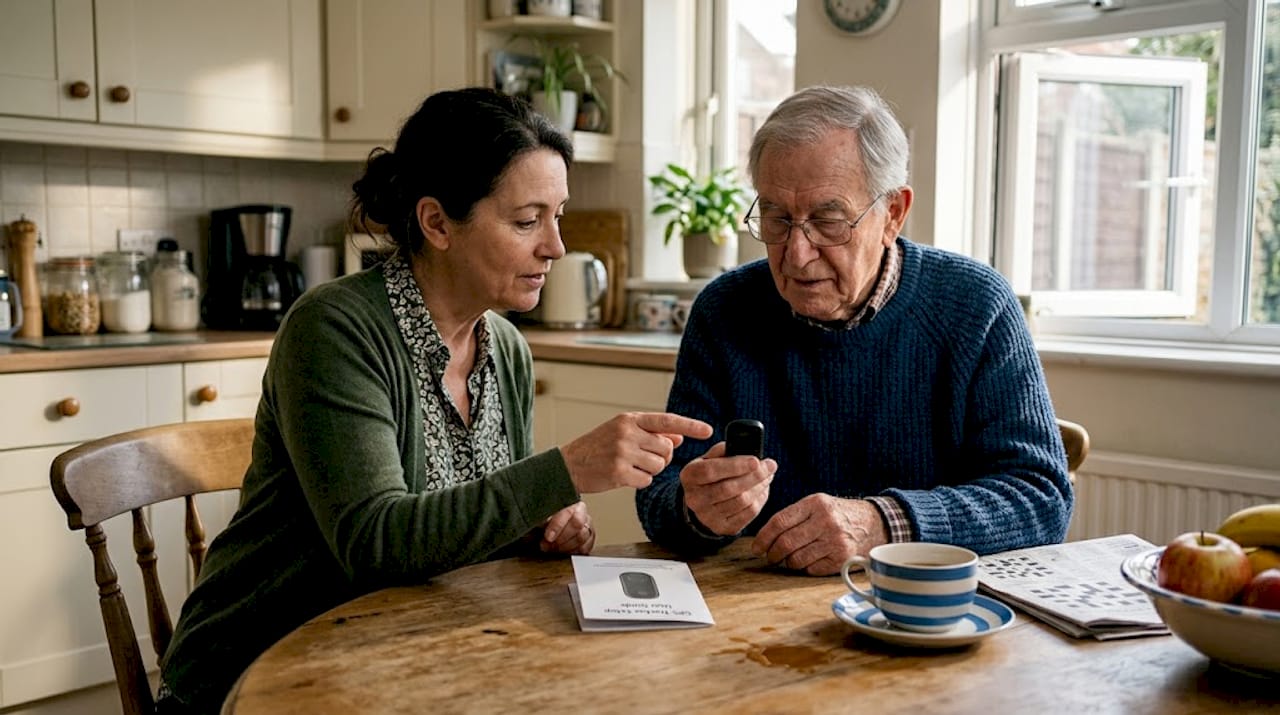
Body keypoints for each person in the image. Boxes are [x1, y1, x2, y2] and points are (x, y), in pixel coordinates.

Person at [157, 88, 711, 713]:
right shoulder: (335, 329)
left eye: (558, 216)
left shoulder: (505, 347)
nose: (555, 246)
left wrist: (543, 525)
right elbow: (376, 546)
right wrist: (563, 472)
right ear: (437, 222)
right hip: (259, 674)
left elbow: (468, 522)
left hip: (408, 660)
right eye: (527, 221)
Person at [635, 85, 1072, 576]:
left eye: (828, 220)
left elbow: (1041, 498)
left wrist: (883, 524)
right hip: (756, 616)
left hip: (925, 612)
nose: (796, 253)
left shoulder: (976, 305)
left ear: (893, 215)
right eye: (777, 218)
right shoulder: (725, 309)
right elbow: (659, 495)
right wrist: (696, 513)